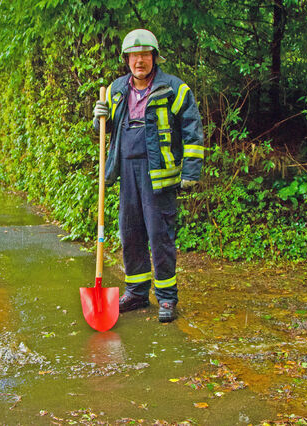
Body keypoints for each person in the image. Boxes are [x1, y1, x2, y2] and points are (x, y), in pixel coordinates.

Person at [92, 29, 204, 322]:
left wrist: (191, 170)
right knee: (131, 234)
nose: (139, 60)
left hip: (159, 175)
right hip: (126, 171)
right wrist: (99, 116)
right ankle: (138, 293)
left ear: (154, 57)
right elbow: (104, 130)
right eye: (133, 55)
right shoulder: (116, 90)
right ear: (126, 59)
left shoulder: (174, 89)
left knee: (160, 235)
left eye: (144, 54)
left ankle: (167, 299)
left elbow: (192, 129)